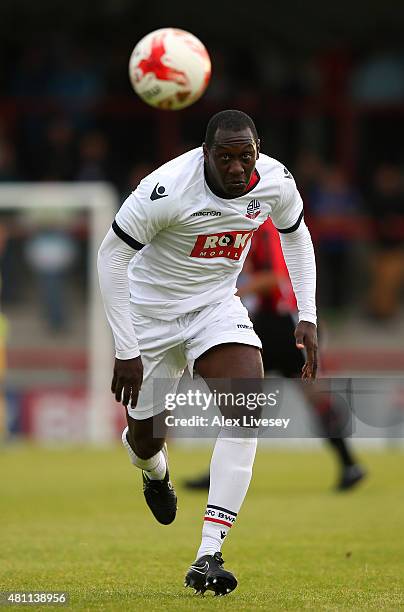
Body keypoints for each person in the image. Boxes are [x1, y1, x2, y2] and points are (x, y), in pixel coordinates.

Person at [97, 110, 317, 596]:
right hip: (148, 316)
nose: (237, 168)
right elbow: (111, 256)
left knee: (246, 409)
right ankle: (156, 474)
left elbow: (296, 235)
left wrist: (309, 314)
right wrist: (126, 348)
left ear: (257, 148)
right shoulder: (168, 188)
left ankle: (208, 554)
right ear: (205, 155)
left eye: (246, 155)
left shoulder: (276, 181)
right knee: (145, 442)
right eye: (225, 157)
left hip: (214, 306)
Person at [185, 219, 366, 492]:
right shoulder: (261, 224)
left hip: (280, 324)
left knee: (245, 396)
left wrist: (226, 293)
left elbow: (272, 278)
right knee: (273, 394)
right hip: (275, 322)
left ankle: (220, 474)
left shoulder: (264, 227)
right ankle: (349, 464)